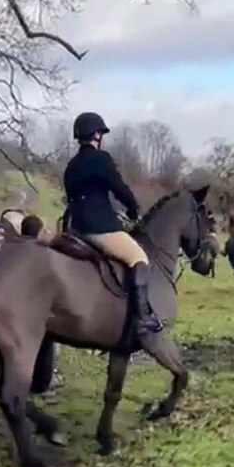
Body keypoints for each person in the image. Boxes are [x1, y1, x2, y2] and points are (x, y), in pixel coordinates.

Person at [62, 111, 162, 336]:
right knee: (138, 257)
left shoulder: (72, 164)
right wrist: (133, 207)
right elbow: (118, 187)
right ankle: (143, 319)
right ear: (96, 134)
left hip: (75, 226)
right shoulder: (101, 159)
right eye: (100, 132)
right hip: (98, 227)